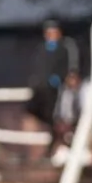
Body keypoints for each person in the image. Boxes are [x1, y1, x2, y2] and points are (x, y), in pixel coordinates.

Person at [23, 19, 79, 159]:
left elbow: (71, 67)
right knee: (36, 112)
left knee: (59, 116)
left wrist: (63, 78)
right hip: (42, 88)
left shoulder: (66, 46)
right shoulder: (41, 49)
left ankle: (57, 143)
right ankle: (56, 134)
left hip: (57, 89)